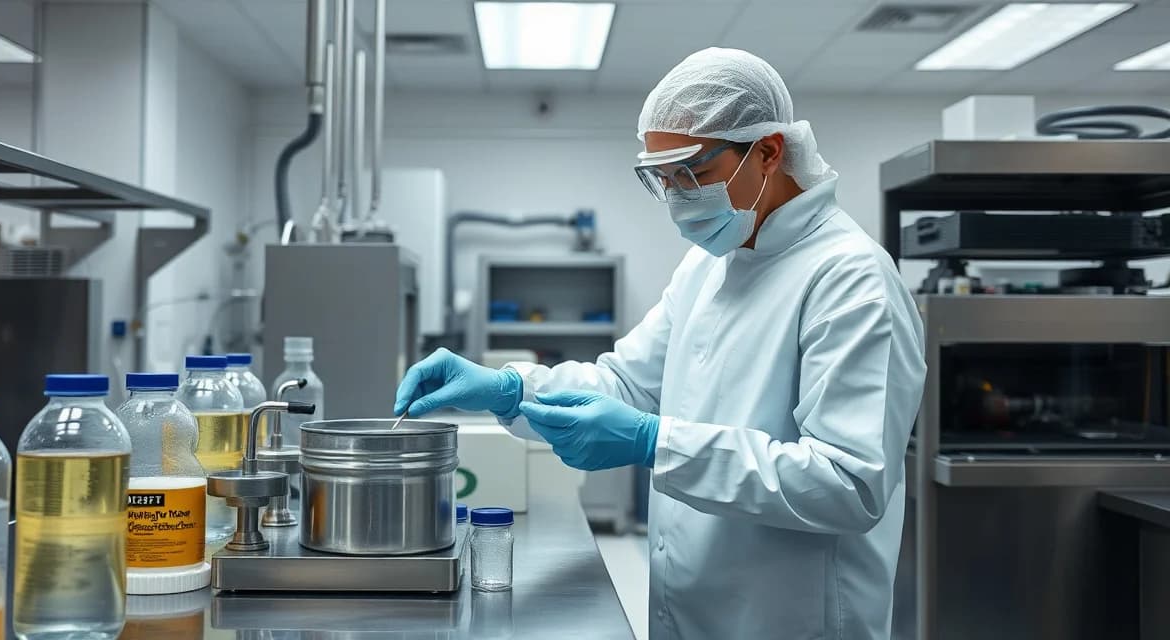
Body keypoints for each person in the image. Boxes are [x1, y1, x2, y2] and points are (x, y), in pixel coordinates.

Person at [395, 47, 926, 640]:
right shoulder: (710, 267)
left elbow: (846, 485)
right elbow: (627, 382)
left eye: (691, 173)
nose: (677, 198)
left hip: (793, 621)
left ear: (769, 152)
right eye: (662, 178)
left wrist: (654, 442)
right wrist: (511, 389)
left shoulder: (851, 280)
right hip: (691, 611)